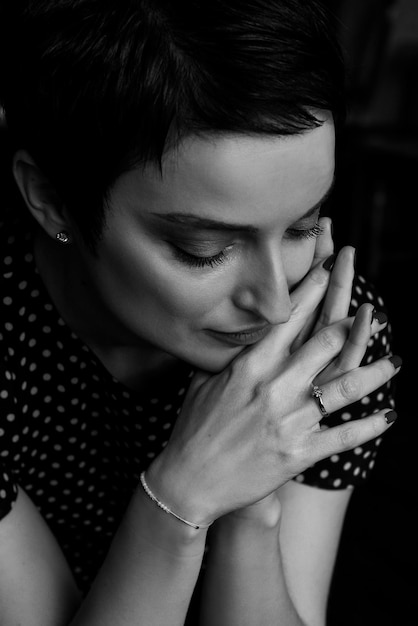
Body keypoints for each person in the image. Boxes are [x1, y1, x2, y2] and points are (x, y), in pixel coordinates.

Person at [0, 1, 401, 625]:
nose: (273, 303)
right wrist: (181, 499)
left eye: (302, 226)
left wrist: (253, 506)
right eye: (203, 250)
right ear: (52, 199)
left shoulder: (325, 332)